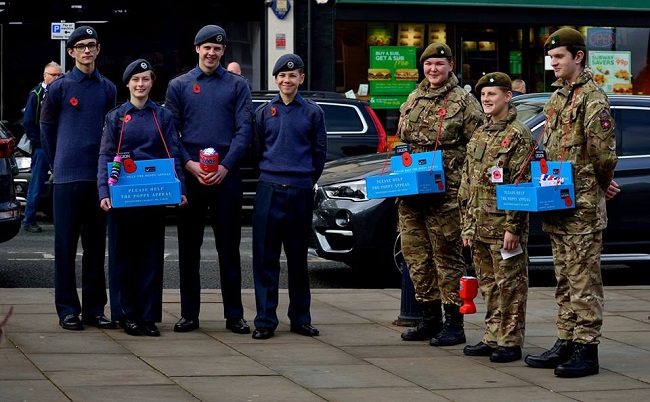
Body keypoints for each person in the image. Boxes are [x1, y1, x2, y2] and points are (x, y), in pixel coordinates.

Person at [523, 28, 618, 378]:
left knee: (583, 279)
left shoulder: (593, 99)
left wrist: (598, 186)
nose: (553, 64)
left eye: (559, 57)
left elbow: (604, 155)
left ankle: (586, 347)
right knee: (563, 276)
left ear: (578, 57)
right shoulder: (559, 98)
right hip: (556, 198)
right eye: (551, 58)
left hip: (581, 206)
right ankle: (565, 339)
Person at [164, 24, 253, 334]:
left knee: (229, 250)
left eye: (217, 48)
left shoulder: (237, 85)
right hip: (191, 177)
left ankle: (234, 316)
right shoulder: (179, 85)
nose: (212, 52)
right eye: (207, 47)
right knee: (188, 250)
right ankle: (189, 315)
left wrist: (226, 167)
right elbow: (170, 134)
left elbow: (244, 130)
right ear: (197, 48)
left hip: (226, 177)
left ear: (223, 51)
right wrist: (189, 165)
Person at [397, 43, 484, 347]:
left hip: (446, 192)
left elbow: (479, 147)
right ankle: (429, 317)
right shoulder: (414, 98)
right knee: (416, 256)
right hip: (411, 190)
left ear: (450, 67)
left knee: (447, 257)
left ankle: (454, 323)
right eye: (429, 64)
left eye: (439, 64)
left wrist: (469, 186)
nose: (433, 70)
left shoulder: (464, 102)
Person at [98, 59, 188, 337]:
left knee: (150, 259)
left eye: (145, 79)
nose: (140, 84)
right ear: (127, 84)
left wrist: (180, 187)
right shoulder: (115, 117)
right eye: (135, 80)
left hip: (152, 195)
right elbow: (105, 154)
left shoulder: (162, 116)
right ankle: (126, 315)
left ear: (152, 83)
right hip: (123, 196)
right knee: (123, 258)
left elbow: (173, 152)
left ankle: (148, 316)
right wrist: (103, 191)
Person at [40, 25, 118, 331]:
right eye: (81, 46)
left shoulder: (108, 88)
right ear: (71, 52)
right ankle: (68, 310)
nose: (87, 50)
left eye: (92, 45)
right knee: (65, 248)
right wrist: (57, 163)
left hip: (97, 179)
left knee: (96, 248)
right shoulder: (59, 88)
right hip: (67, 178)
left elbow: (111, 133)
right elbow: (46, 130)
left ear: (98, 49)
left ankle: (95, 310)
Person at [250, 54, 327, 340]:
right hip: (269, 189)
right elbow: (257, 151)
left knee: (297, 260)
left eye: (293, 76)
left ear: (301, 79)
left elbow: (319, 153)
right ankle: (265, 320)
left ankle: (300, 318)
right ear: (275, 80)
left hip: (300, 191)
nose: (287, 80)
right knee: (265, 259)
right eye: (282, 76)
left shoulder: (312, 112)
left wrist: (305, 180)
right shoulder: (263, 112)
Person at [459, 72, 534, 363]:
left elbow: (521, 183)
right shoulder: (480, 132)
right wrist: (467, 224)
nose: (487, 100)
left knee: (510, 285)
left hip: (504, 226)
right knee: (488, 284)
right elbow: (468, 181)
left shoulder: (518, 135)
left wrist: (514, 227)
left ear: (508, 97)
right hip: (479, 224)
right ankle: (492, 335)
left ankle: (510, 341)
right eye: (484, 95)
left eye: (493, 94)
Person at [21, 61, 63, 233]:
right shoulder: (36, 94)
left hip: (59, 145)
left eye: (59, 75)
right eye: (53, 75)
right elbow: (28, 122)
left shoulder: (62, 92)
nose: (57, 78)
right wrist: (39, 142)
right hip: (42, 147)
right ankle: (28, 220)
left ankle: (63, 219)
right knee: (36, 185)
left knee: (62, 183)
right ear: (45, 76)